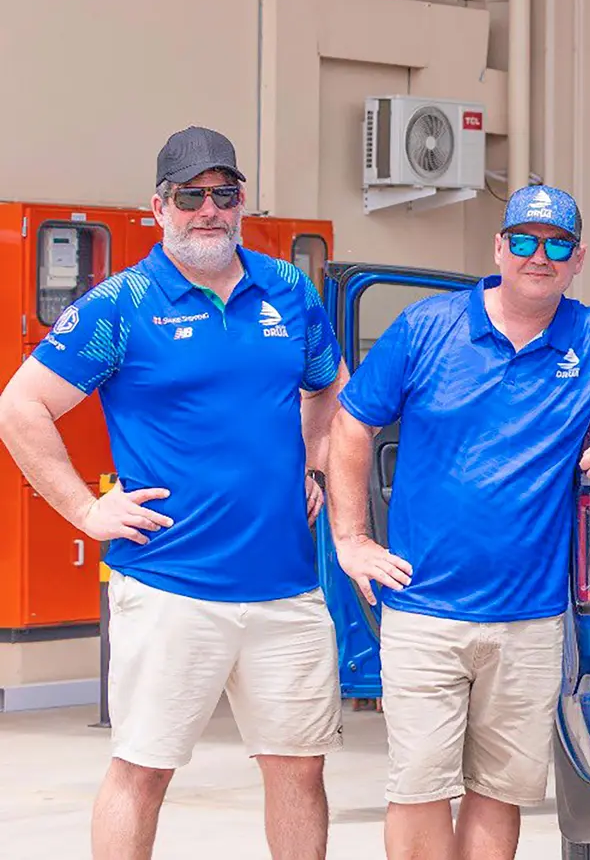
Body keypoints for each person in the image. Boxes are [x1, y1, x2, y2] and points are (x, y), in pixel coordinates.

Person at [329, 184, 590, 860]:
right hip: (424, 608)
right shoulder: (426, 328)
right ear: (499, 247)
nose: (540, 255)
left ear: (578, 257)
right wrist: (350, 539)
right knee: (417, 787)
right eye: (525, 240)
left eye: (557, 243)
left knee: (497, 792)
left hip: (530, 621)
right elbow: (352, 423)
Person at [0, 127, 347, 860]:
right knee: (143, 768)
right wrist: (86, 509)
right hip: (170, 586)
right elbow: (20, 406)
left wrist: (313, 467)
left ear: (242, 201)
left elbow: (329, 388)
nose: (209, 210)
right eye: (191, 195)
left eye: (224, 194)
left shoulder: (288, 287)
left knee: (299, 768)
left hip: (285, 587)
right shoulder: (119, 305)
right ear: (158, 206)